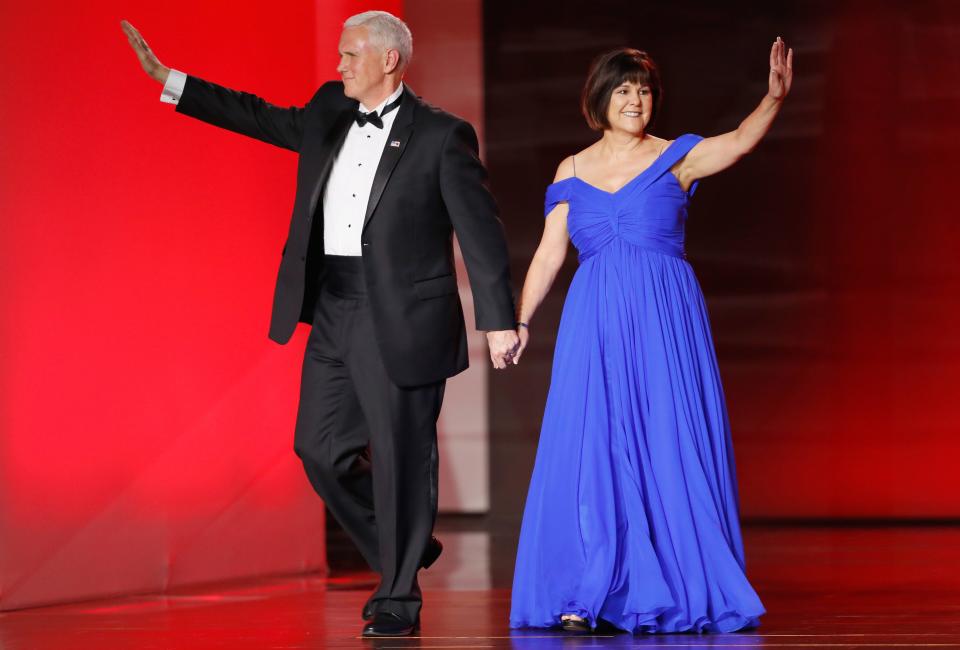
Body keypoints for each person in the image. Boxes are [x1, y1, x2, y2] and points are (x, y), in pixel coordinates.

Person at [121, 11, 519, 637]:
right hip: (334, 303)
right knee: (320, 448)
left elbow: (482, 233)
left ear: (389, 60)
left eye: (350, 55)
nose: (338, 66)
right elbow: (260, 117)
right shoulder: (332, 109)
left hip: (404, 313)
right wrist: (172, 79)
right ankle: (406, 541)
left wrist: (498, 319)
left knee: (400, 456)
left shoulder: (443, 136)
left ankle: (398, 597)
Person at [509, 39, 793, 633]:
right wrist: (521, 319)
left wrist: (772, 99)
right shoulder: (572, 170)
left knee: (667, 440)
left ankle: (672, 582)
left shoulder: (676, 158)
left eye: (642, 89)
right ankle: (587, 587)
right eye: (623, 89)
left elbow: (737, 142)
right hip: (595, 326)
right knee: (595, 448)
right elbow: (547, 256)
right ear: (599, 100)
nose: (634, 99)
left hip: (666, 322)